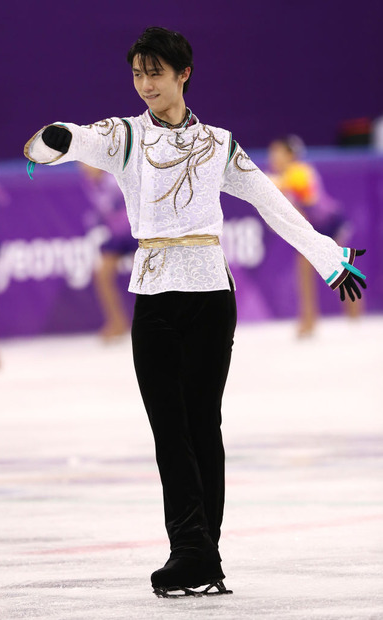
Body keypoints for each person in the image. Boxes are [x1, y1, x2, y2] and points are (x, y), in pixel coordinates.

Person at [24, 27, 367, 597]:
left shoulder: (219, 145)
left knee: (203, 423)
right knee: (169, 427)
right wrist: (53, 140)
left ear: (184, 74)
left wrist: (329, 257)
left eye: (155, 72)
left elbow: (273, 204)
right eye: (138, 73)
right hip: (154, 295)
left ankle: (198, 555)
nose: (145, 84)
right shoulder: (125, 137)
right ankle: (194, 552)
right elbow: (67, 141)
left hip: (211, 296)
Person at [268, 136, 361, 337]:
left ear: (290, 154)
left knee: (338, 268)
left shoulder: (300, 172)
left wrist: (275, 184)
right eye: (271, 152)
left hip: (328, 222)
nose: (272, 157)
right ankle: (308, 321)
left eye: (277, 152)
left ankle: (354, 313)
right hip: (311, 227)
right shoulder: (284, 176)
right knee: (304, 272)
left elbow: (303, 196)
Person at [78, 163, 137, 340]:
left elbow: (124, 204)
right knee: (102, 275)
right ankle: (118, 322)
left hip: (135, 233)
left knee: (148, 278)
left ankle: (161, 320)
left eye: (87, 165)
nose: (84, 169)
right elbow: (104, 210)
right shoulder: (89, 183)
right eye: (81, 165)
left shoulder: (114, 180)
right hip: (117, 236)